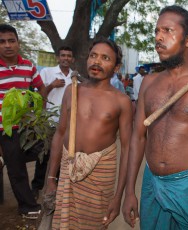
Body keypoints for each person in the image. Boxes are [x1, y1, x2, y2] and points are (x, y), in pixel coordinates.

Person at [122, 5, 188, 230]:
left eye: (168, 30)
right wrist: (129, 190)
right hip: (152, 184)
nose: (159, 37)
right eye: (157, 31)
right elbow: (138, 138)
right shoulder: (149, 83)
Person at [45, 37, 132, 229]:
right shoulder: (72, 91)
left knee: (94, 224)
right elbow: (60, 134)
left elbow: (127, 149)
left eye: (105, 58)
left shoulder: (122, 101)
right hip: (68, 171)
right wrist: (51, 178)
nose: (97, 62)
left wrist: (119, 197)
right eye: (93, 56)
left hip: (100, 175)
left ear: (116, 68)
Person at [0, 24, 46, 218]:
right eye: (2, 42)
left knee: (49, 150)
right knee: (16, 168)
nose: (7, 45)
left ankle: (38, 186)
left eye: (11, 40)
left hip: (28, 127)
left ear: (18, 43)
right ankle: (27, 206)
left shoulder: (28, 66)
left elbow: (41, 89)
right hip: (6, 129)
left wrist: (38, 113)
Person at [30, 46, 75, 200]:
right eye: (63, 55)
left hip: (66, 124)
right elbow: (38, 96)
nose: (66, 58)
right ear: (58, 58)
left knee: (62, 157)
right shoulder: (47, 73)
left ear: (72, 59)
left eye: (69, 56)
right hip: (48, 122)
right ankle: (36, 187)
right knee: (44, 156)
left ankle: (56, 188)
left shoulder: (75, 77)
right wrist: (51, 86)